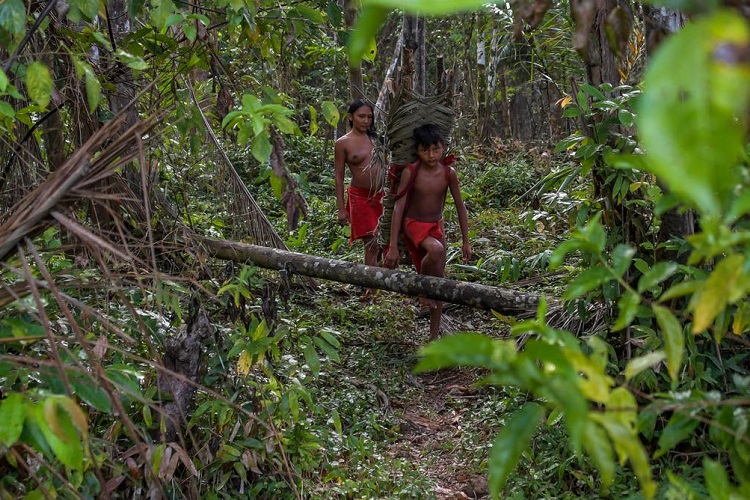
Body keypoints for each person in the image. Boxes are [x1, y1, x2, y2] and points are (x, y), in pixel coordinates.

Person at [383, 123, 472, 339]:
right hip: (413, 224)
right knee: (436, 250)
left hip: (436, 227)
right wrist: (393, 245)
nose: (431, 155)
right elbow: (399, 207)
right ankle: (421, 287)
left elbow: (460, 206)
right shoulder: (411, 171)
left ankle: (433, 338)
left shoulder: (448, 173)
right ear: (417, 151)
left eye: (435, 149)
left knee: (438, 284)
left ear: (443, 148)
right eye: (425, 150)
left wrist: (466, 241)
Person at [334, 100, 384, 268]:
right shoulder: (343, 143)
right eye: (361, 116)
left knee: (382, 242)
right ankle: (371, 282)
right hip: (361, 197)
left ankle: (378, 277)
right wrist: (341, 209)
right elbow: (339, 176)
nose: (366, 121)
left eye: (369, 117)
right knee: (372, 242)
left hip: (382, 196)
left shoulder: (376, 140)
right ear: (350, 117)